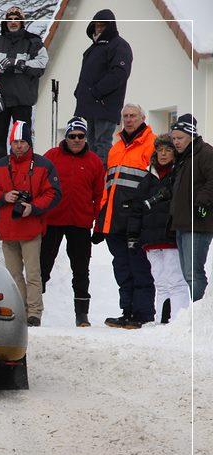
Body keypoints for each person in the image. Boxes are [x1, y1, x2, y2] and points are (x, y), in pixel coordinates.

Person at [0, 121, 61, 327]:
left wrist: (33, 207)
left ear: (29, 143)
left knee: (33, 274)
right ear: (11, 143)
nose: (18, 146)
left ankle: (34, 313)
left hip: (31, 227)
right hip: (8, 229)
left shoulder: (43, 165)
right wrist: (3, 196)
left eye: (22, 142)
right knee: (14, 275)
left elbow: (53, 193)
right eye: (15, 141)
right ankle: (20, 310)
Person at [93, 103, 156, 328]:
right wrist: (101, 220)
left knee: (139, 268)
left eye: (133, 116)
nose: (129, 120)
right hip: (114, 221)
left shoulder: (152, 144)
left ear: (142, 118)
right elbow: (107, 187)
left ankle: (143, 314)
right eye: (125, 116)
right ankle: (127, 311)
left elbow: (155, 185)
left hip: (137, 220)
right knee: (122, 268)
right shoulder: (115, 148)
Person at [41, 117, 105, 327]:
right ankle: (33, 310)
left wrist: (98, 225)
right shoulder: (51, 157)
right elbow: (40, 186)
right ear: (66, 137)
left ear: (86, 137)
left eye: (81, 136)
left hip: (80, 223)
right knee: (42, 266)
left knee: (81, 269)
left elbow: (99, 196)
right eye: (72, 136)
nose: (77, 140)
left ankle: (81, 314)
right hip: (52, 221)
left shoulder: (94, 161)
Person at [127, 134, 190, 322]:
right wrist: (133, 235)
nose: (163, 154)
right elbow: (136, 210)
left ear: (175, 152)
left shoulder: (179, 174)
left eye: (168, 150)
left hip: (171, 237)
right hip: (150, 241)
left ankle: (179, 322)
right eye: (160, 150)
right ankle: (162, 322)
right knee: (160, 282)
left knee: (176, 281)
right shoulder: (147, 178)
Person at [0, 6, 48, 160]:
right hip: (0, 100)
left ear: (22, 22)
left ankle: (24, 173)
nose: (13, 22)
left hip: (22, 100)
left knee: (22, 141)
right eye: (10, 20)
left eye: (17, 20)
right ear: (5, 23)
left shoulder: (33, 42)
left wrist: (18, 63)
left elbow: (42, 65)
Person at [73, 9, 133, 167]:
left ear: (110, 27)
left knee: (102, 145)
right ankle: (94, 177)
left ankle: (102, 179)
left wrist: (98, 91)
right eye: (96, 26)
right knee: (92, 146)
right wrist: (80, 93)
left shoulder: (119, 45)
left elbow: (119, 73)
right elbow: (87, 76)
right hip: (92, 104)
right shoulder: (94, 48)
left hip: (105, 105)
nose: (99, 29)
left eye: (102, 26)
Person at [168, 114, 213, 301]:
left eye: (180, 138)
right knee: (188, 273)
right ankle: (196, 313)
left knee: (193, 272)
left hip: (198, 223)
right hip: (182, 222)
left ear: (192, 136)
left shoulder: (205, 153)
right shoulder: (183, 158)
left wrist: (201, 201)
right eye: (173, 138)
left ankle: (200, 313)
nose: (176, 142)